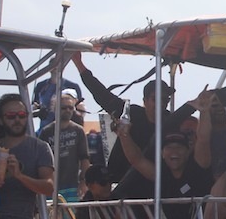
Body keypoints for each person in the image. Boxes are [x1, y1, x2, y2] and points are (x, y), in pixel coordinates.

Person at [72, 52, 196, 183]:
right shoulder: (130, 113)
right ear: (145, 100)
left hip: (153, 183)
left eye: (165, 99)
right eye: (156, 99)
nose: (161, 103)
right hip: (120, 180)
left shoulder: (171, 122)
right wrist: (79, 64)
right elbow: (101, 94)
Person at [36, 93, 90, 202]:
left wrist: (84, 182)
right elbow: (40, 161)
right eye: (63, 108)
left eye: (70, 108)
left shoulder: (78, 131)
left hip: (73, 186)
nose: (68, 110)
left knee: (71, 218)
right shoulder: (46, 132)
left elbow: (85, 158)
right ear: (55, 109)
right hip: (52, 187)